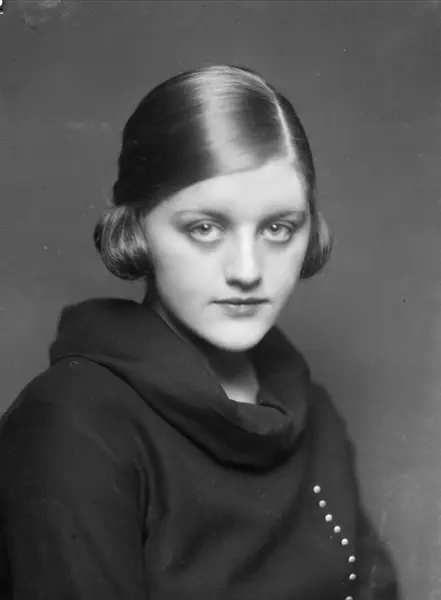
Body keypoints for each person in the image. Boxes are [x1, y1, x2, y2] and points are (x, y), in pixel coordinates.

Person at [0, 65, 399, 599]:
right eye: (205, 228)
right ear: (137, 228)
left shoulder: (312, 412)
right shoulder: (73, 421)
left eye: (278, 228)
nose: (247, 271)